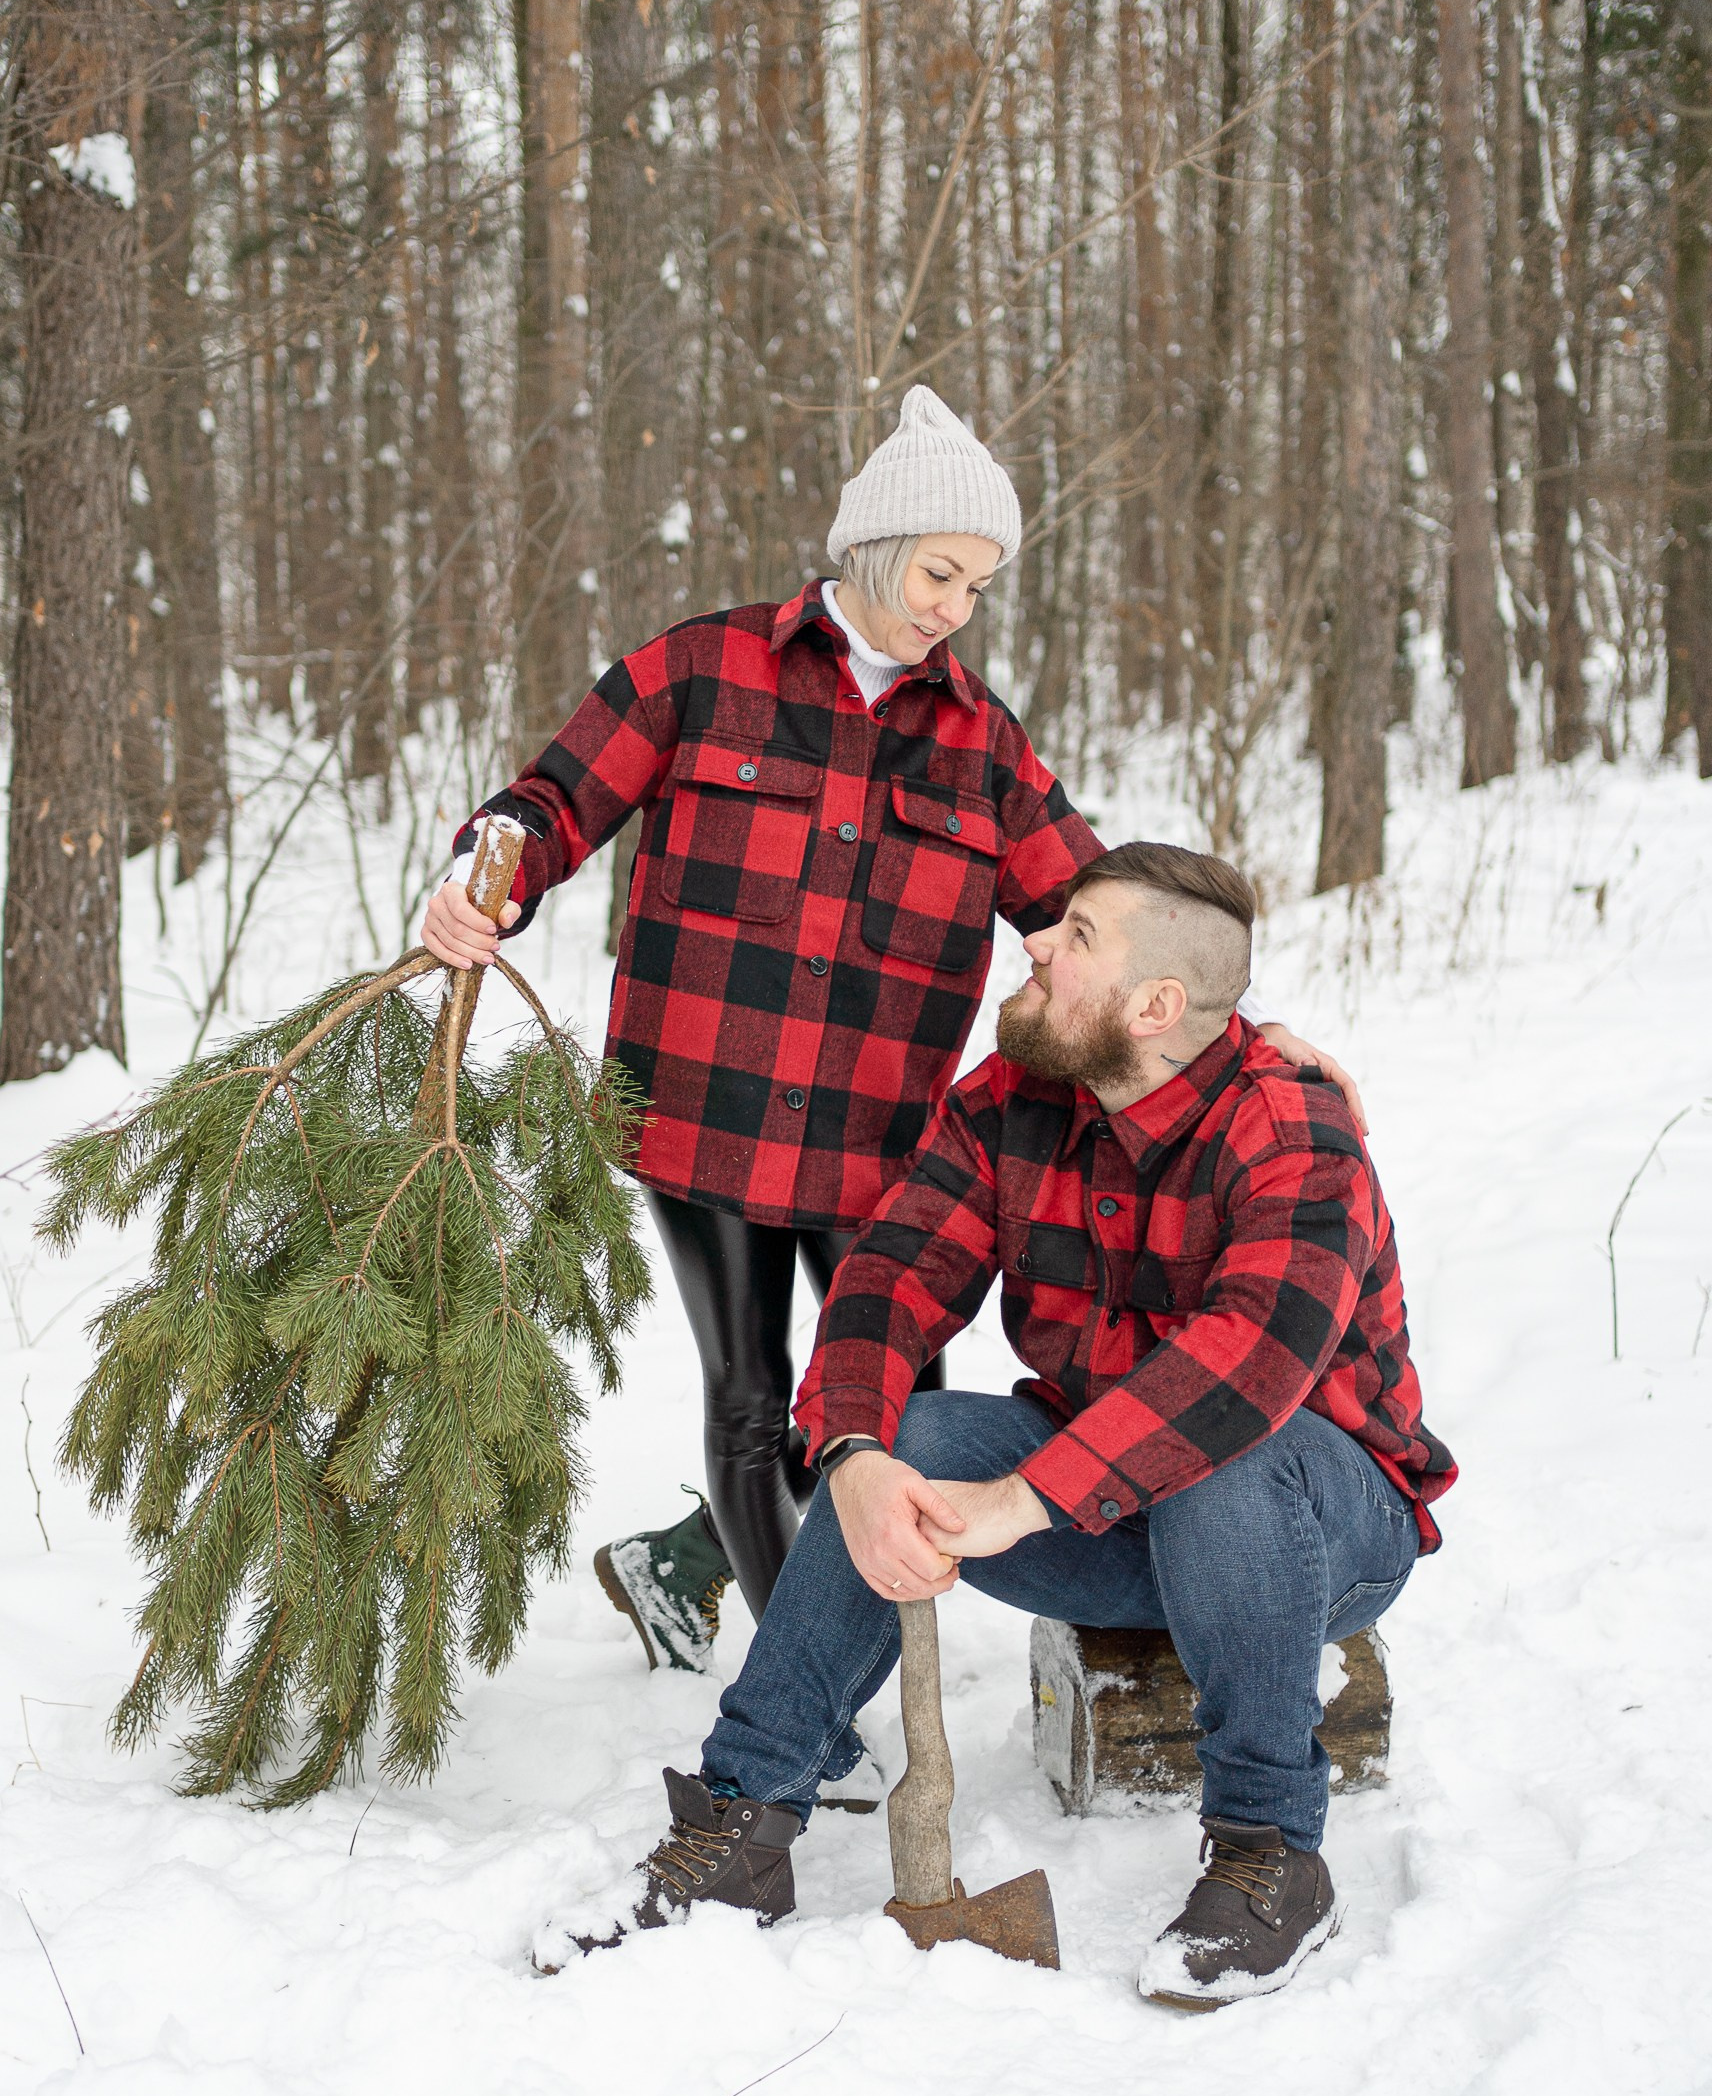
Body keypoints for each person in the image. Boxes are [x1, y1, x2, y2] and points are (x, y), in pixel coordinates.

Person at [423, 393, 1360, 1797]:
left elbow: (1112, 923)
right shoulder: (703, 669)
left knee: (883, 1409)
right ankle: (821, 1719)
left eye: (978, 588)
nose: (954, 610)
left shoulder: (979, 741)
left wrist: (1250, 1030)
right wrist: (479, 875)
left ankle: (681, 1564)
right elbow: (548, 801)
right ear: (869, 547)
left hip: (878, 1145)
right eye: (939, 574)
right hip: (704, 1114)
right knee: (754, 1400)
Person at [547, 842, 1455, 2011]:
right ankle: (742, 1823)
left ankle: (1268, 1852)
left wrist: (1022, 1499)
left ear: (1153, 1006)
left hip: (1322, 1530)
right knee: (913, 1433)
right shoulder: (1015, 1099)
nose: (1032, 940)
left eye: (1074, 935)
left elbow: (1245, 1366)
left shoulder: (1292, 1133)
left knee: (1227, 1452)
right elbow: (888, 1275)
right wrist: (857, 1453)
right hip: (1111, 1520)